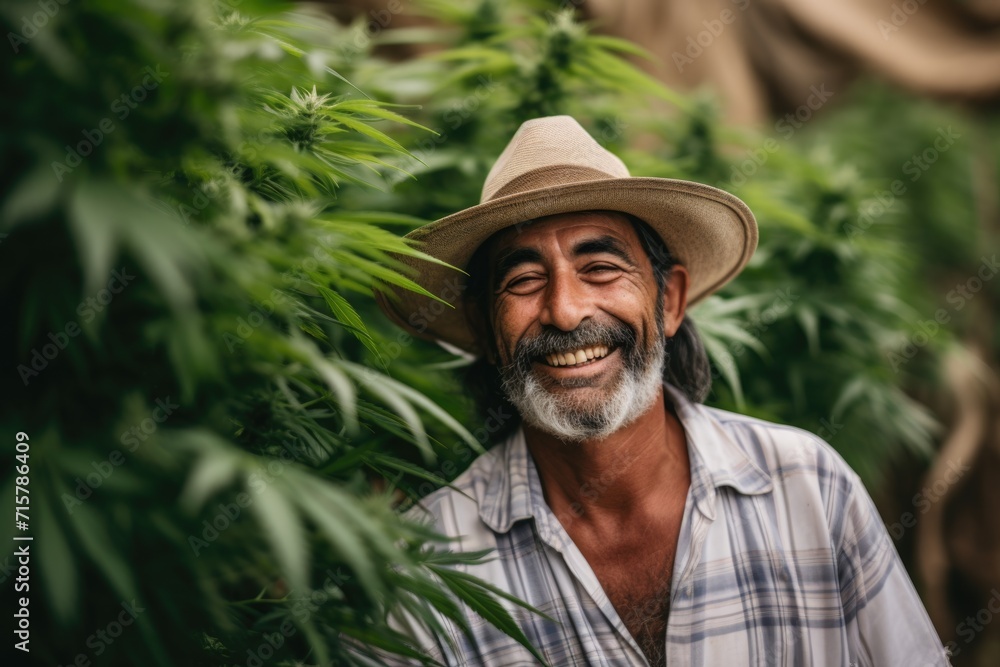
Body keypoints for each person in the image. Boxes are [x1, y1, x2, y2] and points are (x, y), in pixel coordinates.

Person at [374, 116, 949, 666]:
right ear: (485, 329)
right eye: (524, 280)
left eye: (599, 267)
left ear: (669, 300)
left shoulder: (809, 488)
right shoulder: (428, 565)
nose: (566, 311)